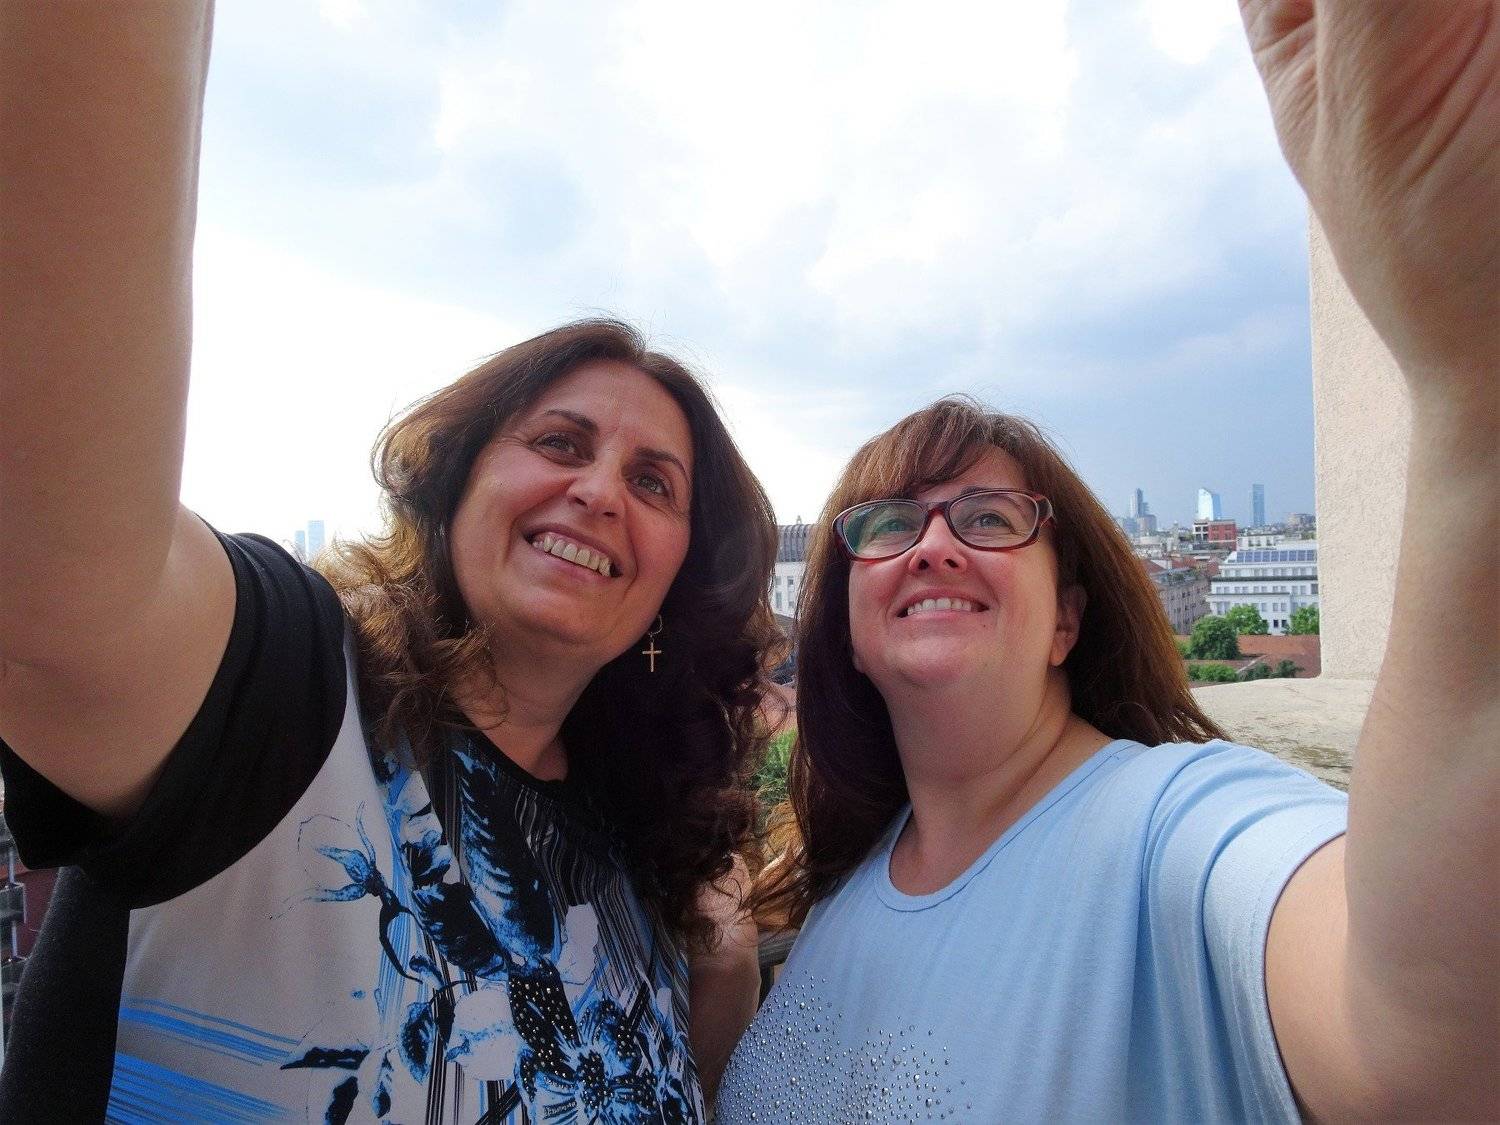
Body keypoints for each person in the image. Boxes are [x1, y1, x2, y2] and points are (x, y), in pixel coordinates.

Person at [720, 1, 1498, 1120]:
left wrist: (1478, 378)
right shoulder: (847, 886)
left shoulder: (1176, 829)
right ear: (844, 611)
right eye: (888, 525)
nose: (933, 543)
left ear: (1067, 618)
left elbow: (1424, 1038)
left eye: (988, 517)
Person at [0, 6, 774, 1121]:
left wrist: (724, 969)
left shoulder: (631, 865)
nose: (602, 490)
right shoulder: (289, 700)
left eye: (655, 483)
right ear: (453, 487)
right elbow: (52, 586)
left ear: (673, 581)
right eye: (560, 443)